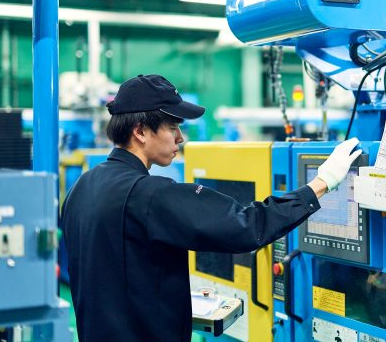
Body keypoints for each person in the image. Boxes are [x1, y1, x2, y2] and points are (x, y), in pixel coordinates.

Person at [60, 74, 361, 342]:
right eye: (172, 127)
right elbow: (248, 225)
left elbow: (119, 272)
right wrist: (321, 183)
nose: (180, 137)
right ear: (140, 131)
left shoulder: (81, 188)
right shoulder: (150, 196)